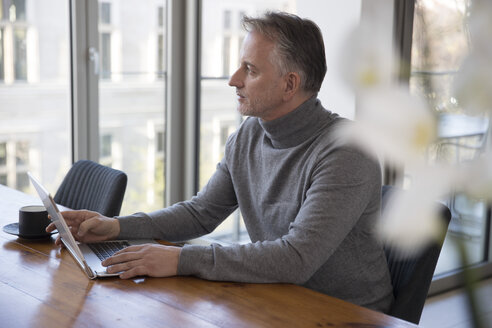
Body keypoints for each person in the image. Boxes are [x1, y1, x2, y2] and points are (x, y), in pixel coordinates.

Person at [47, 11, 394, 312]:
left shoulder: (348, 151)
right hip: (279, 295)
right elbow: (201, 213)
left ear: (290, 84)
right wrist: (116, 227)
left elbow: (296, 259)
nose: (234, 80)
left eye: (250, 70)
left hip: (348, 314)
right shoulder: (248, 136)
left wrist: (181, 259)